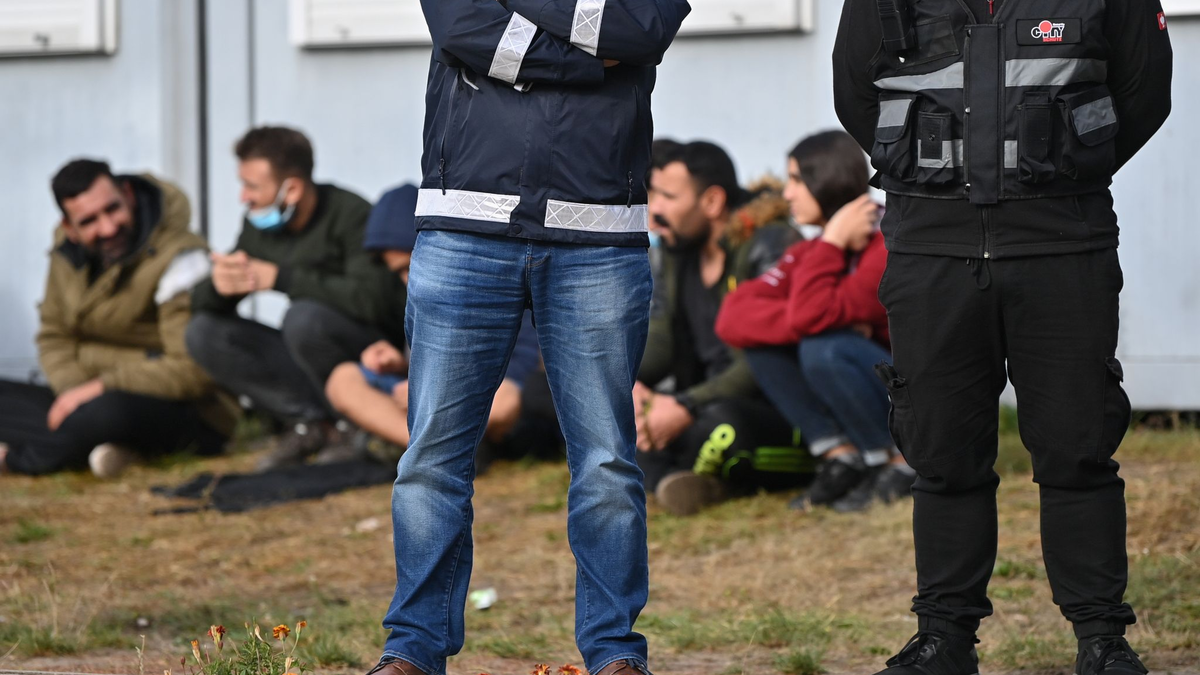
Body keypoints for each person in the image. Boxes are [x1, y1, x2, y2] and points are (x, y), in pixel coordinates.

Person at [833, 0, 1172, 672]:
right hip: (932, 250)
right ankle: (943, 639)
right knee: (943, 451)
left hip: (1063, 245)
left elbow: (1143, 96)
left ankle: (1101, 639)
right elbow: (854, 95)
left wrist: (1056, 178)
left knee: (1078, 447)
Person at [370, 1, 691, 674]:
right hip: (464, 223)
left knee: (605, 461)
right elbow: (459, 26)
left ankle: (613, 654)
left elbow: (643, 29)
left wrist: (526, 31)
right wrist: (585, 62)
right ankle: (412, 650)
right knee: (431, 457)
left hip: (599, 229)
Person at [716, 130, 914, 513]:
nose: (786, 194)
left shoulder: (887, 241)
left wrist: (829, 250)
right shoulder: (814, 248)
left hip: (917, 399)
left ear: (826, 177)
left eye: (795, 180)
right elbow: (733, 315)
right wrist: (828, 256)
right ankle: (843, 458)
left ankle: (898, 463)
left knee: (825, 347)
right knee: (778, 344)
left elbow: (813, 316)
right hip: (874, 377)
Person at [0, 160, 238, 477]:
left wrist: (100, 388)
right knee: (84, 416)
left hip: (188, 409)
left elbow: (194, 370)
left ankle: (18, 461)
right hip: (90, 394)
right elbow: (55, 337)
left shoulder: (183, 258)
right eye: (89, 221)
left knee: (108, 415)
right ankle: (107, 449)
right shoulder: (66, 254)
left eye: (113, 209)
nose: (108, 228)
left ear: (129, 195)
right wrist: (75, 394)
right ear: (69, 228)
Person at [186, 126, 400, 470]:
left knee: (304, 319)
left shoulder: (352, 214)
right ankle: (312, 425)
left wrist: (282, 278)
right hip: (308, 358)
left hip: (374, 357)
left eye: (252, 186)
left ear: (293, 188)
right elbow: (203, 304)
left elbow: (374, 300)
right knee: (203, 332)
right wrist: (218, 287)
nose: (244, 197)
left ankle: (356, 423)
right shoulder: (258, 226)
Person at [636, 141, 809, 516]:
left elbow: (766, 359)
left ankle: (680, 478)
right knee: (613, 415)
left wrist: (684, 404)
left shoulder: (771, 244)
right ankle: (692, 482)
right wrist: (625, 384)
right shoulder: (676, 250)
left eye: (667, 196)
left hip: (774, 409)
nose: (655, 210)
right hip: (706, 400)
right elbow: (661, 339)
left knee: (722, 426)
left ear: (712, 202)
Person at [323, 185, 548, 468]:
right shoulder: (417, 296)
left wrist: (436, 394)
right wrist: (400, 367)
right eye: (399, 273)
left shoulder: (490, 275)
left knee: (506, 401)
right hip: (441, 403)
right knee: (343, 379)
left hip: (490, 395)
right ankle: (438, 455)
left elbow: (523, 366)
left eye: (410, 266)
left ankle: (443, 452)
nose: (407, 280)